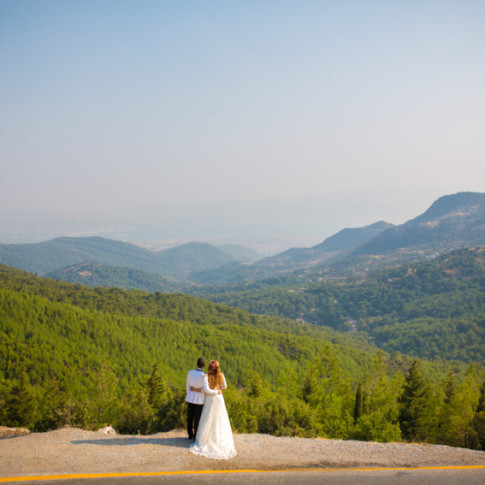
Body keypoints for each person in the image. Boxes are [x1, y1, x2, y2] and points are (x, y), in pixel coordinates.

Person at [189, 359, 237, 459]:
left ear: (210, 367)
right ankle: (219, 440)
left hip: (210, 400)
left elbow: (206, 390)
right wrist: (218, 390)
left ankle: (207, 440)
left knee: (208, 418)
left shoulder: (206, 376)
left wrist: (210, 391)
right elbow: (225, 386)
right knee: (220, 419)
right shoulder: (221, 375)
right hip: (219, 399)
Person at [185, 357, 210, 441]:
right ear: (204, 365)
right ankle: (196, 435)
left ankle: (189, 433)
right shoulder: (204, 376)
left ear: (197, 363)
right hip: (199, 399)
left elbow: (187, 385)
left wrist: (189, 394)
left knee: (190, 417)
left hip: (190, 397)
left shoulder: (190, 372)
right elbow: (205, 389)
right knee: (197, 418)